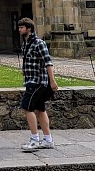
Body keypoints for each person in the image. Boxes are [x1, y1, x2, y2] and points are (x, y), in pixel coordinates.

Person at [17, 17, 59, 151]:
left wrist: (52, 81)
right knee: (40, 109)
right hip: (31, 80)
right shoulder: (25, 44)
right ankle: (48, 140)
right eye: (19, 27)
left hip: (38, 82)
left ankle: (35, 140)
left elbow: (48, 62)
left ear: (29, 29)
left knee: (27, 108)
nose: (19, 30)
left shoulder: (39, 43)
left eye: (22, 27)